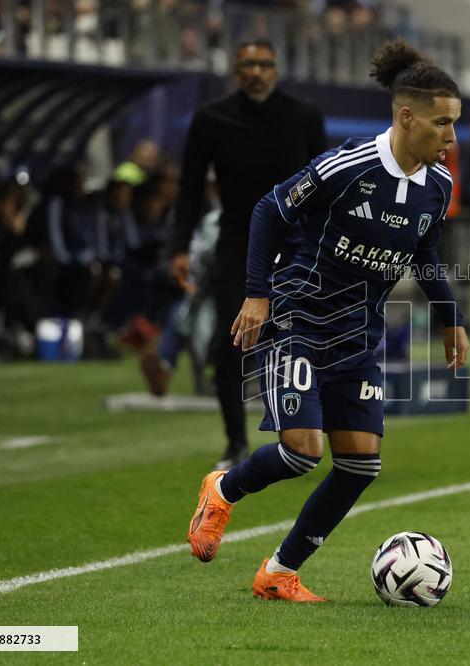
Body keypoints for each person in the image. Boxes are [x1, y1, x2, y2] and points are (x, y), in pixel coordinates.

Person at [185, 38, 469, 602]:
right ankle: (223, 488)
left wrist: (449, 316)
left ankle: (278, 571)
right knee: (301, 451)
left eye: (455, 124)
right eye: (442, 124)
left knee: (361, 465)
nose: (451, 138)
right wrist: (257, 294)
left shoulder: (438, 187)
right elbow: (270, 208)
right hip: (297, 319)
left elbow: (424, 252)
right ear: (406, 116)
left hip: (358, 336)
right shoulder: (349, 164)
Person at [170, 38, 327, 470]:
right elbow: (187, 188)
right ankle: (236, 441)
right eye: (248, 65)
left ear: (276, 69)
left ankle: (304, 436)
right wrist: (179, 247)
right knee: (232, 340)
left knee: (310, 341)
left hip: (298, 246)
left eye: (264, 64)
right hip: (237, 243)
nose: (256, 72)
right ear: (235, 72)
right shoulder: (210, 120)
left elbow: (325, 187)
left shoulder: (304, 116)